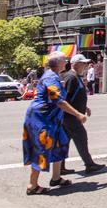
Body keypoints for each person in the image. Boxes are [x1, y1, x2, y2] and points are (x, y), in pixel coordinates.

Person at [22, 52, 87, 195]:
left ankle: (56, 178)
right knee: (40, 149)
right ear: (58, 63)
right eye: (64, 60)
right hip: (41, 118)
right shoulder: (51, 77)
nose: (66, 61)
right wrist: (78, 114)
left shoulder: (53, 75)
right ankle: (32, 185)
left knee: (60, 143)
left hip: (53, 119)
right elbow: (58, 101)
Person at [60, 54, 105, 175]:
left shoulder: (76, 77)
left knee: (65, 142)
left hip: (71, 115)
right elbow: (65, 99)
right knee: (81, 138)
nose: (85, 66)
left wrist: (85, 107)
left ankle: (60, 167)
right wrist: (78, 113)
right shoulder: (71, 77)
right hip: (71, 116)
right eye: (83, 63)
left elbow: (75, 96)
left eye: (86, 63)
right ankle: (89, 165)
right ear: (75, 64)